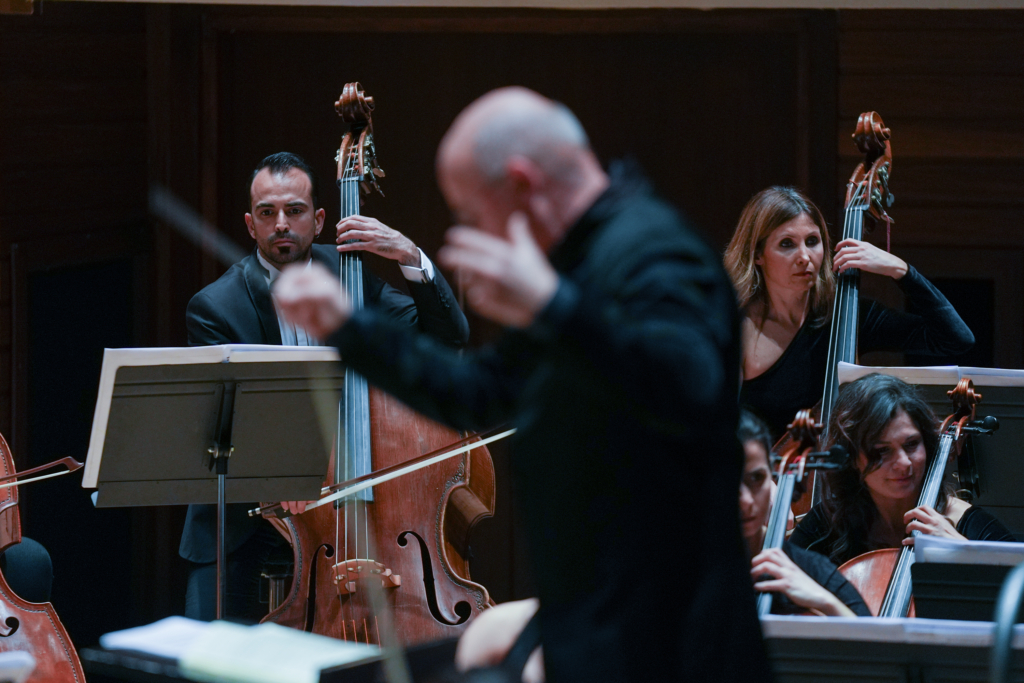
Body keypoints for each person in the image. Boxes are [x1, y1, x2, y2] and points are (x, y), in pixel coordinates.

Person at [273, 88, 772, 682]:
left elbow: (687, 386)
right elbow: (480, 391)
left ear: (521, 184)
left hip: (676, 639)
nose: (474, 233)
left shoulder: (653, 251)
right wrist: (348, 328)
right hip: (595, 622)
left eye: (472, 213)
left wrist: (551, 306)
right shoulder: (570, 266)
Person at [179, 151, 470, 622]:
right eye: (267, 213)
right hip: (246, 521)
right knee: (207, 654)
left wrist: (409, 256)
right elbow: (224, 420)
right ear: (250, 224)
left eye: (293, 211)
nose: (281, 224)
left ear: (317, 220)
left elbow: (446, 338)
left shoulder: (350, 276)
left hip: (351, 504)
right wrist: (282, 470)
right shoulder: (216, 308)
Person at [724, 186, 974, 438]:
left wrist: (902, 270)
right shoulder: (734, 327)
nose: (804, 257)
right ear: (758, 254)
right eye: (787, 244)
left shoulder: (847, 315)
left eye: (812, 241)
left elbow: (955, 339)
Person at [791, 373, 1014, 566]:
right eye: (882, 451)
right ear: (851, 459)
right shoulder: (828, 522)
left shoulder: (967, 524)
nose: (904, 463)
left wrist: (967, 554)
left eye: (911, 444)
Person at [737, 409, 869, 617]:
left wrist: (825, 602)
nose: (745, 501)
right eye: (728, 480)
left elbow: (875, 646)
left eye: (756, 478)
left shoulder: (812, 572)